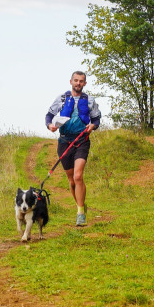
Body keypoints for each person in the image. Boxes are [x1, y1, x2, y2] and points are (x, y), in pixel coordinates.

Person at [45, 71, 102, 225]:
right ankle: (81, 204)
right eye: (76, 80)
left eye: (81, 81)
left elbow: (96, 118)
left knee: (78, 176)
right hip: (64, 142)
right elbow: (49, 116)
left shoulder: (90, 100)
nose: (78, 83)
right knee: (71, 181)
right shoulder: (62, 98)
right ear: (70, 81)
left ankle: (80, 214)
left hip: (82, 141)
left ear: (85, 83)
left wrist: (93, 126)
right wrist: (50, 125)